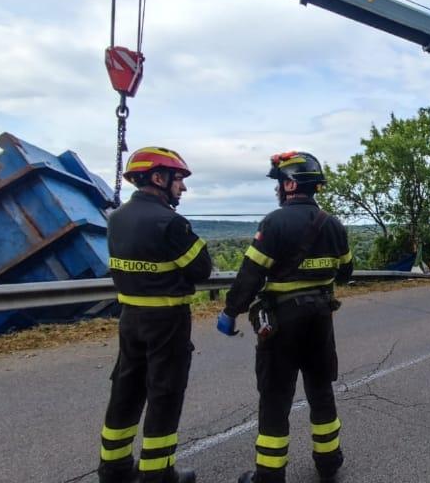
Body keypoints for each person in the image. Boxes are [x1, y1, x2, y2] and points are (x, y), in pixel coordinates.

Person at [217, 151, 352, 483]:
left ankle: (270, 474)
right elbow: (346, 273)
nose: (278, 189)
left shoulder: (274, 223)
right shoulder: (333, 224)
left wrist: (230, 311)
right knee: (321, 390)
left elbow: (250, 274)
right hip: (321, 319)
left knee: (276, 396)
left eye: (280, 182)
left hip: (282, 322)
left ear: (291, 184)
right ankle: (328, 461)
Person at [98, 147, 212, 483]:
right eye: (179, 180)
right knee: (164, 393)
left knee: (126, 390)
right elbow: (201, 269)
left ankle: (114, 469)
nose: (183, 188)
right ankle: (157, 473)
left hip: (130, 318)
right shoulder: (170, 222)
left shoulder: (116, 219)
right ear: (158, 178)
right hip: (167, 322)